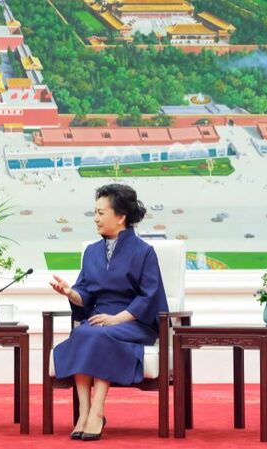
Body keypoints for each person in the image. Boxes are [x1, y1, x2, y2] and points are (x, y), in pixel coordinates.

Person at [49, 183, 167, 441]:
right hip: (100, 319)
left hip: (134, 321)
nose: (96, 218)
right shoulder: (91, 252)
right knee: (83, 333)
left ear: (121, 216)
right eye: (95, 212)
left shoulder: (144, 252)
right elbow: (85, 293)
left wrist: (116, 319)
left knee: (98, 334)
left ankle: (98, 410)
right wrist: (70, 293)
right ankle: (84, 411)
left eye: (101, 213)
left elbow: (149, 297)